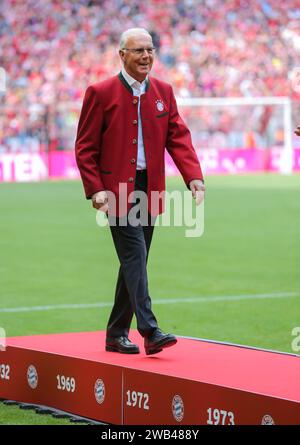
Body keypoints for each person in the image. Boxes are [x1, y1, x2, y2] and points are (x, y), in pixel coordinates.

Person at [75, 28, 205, 355]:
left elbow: (178, 136)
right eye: (138, 51)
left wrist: (193, 176)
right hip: (116, 190)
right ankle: (149, 330)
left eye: (150, 49)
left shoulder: (163, 91)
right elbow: (85, 147)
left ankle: (116, 333)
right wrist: (96, 190)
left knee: (135, 260)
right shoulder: (100, 92)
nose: (146, 56)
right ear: (122, 55)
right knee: (135, 255)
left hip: (151, 189)